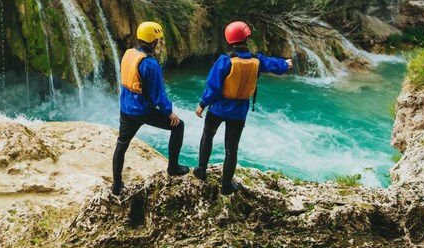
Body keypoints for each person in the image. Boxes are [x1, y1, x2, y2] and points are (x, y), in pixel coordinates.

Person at [193, 21, 292, 194]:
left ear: (229, 40)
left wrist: (202, 104)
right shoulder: (257, 60)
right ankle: (226, 186)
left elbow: (213, 87)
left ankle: (201, 170)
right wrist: (286, 64)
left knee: (208, 135)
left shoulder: (225, 60)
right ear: (246, 38)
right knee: (231, 149)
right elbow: (274, 65)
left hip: (217, 108)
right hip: (238, 112)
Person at [111, 21, 189, 196]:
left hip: (126, 108)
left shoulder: (129, 53)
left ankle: (116, 186)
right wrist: (169, 112)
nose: (158, 43)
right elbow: (158, 95)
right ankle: (173, 167)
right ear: (153, 41)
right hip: (143, 111)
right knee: (178, 126)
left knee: (121, 145)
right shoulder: (151, 65)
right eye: (157, 40)